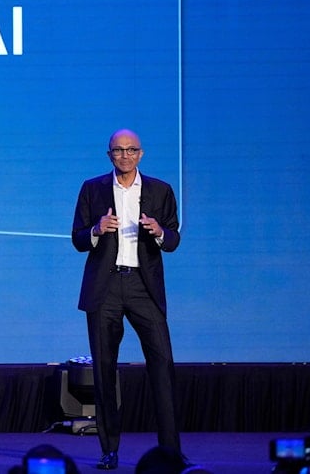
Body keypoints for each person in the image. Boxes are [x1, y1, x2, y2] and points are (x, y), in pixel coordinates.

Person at [71, 129, 182, 469]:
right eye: (118, 150)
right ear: (109, 155)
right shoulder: (93, 188)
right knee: (104, 369)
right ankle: (109, 450)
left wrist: (160, 232)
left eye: (130, 150)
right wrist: (96, 229)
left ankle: (171, 452)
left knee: (162, 364)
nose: (124, 155)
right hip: (105, 287)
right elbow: (77, 238)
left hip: (143, 287)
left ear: (141, 154)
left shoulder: (161, 190)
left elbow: (174, 237)